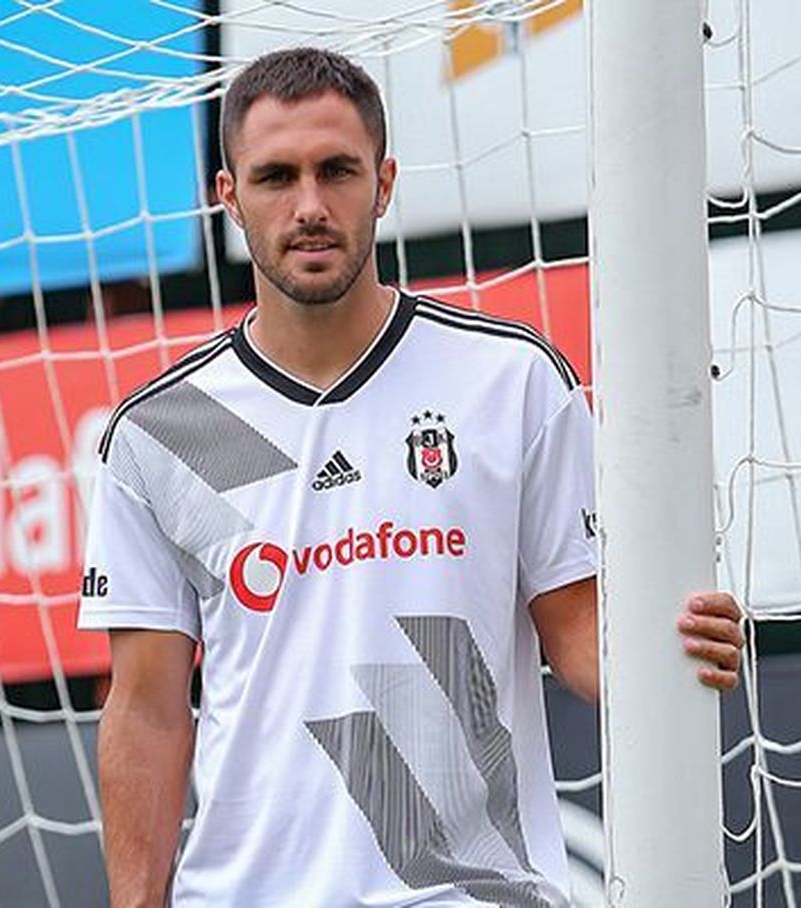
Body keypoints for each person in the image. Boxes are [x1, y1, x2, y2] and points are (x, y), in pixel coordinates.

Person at [79, 47, 744, 907]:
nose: (310, 206)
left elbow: (583, 642)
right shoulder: (164, 430)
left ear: (384, 183)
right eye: (276, 176)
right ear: (227, 195)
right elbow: (146, 710)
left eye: (338, 170)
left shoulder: (508, 382)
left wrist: (681, 643)